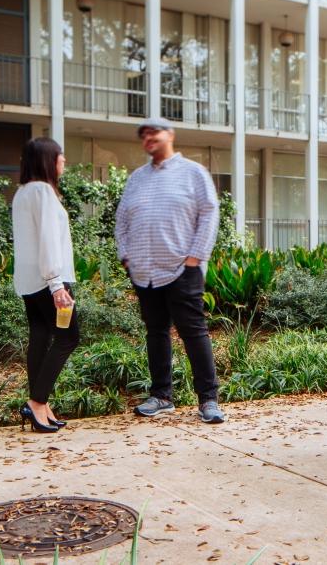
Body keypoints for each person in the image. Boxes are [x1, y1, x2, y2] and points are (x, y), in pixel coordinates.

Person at [116, 117, 225, 424]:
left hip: (182, 269)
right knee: (156, 332)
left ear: (170, 135)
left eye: (154, 132)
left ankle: (208, 400)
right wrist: (126, 256)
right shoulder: (137, 177)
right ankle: (162, 396)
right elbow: (122, 219)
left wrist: (195, 257)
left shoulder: (193, 172)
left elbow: (209, 213)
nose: (148, 137)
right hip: (144, 272)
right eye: (144, 134)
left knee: (194, 333)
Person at [12, 137, 79, 433]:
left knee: (40, 336)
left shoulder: (23, 193)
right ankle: (37, 401)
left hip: (29, 280)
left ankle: (41, 406)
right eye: (60, 156)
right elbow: (49, 240)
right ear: (47, 161)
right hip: (49, 280)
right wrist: (56, 284)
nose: (63, 161)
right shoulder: (43, 192)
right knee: (68, 338)